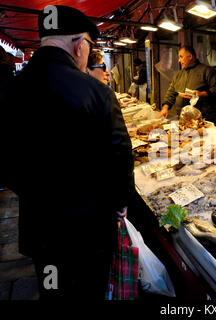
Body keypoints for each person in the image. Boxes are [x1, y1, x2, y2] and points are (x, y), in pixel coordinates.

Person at [0, 5, 135, 299]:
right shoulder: (97, 92)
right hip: (90, 231)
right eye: (88, 44)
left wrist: (37, 191)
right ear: (78, 45)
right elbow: (120, 155)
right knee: (89, 290)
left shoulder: (9, 90)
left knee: (53, 289)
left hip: (42, 229)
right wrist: (120, 201)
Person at [157, 45, 216, 123]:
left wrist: (201, 94)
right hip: (182, 118)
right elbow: (171, 93)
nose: (179, 60)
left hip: (202, 119)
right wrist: (165, 108)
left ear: (190, 57)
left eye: (181, 57)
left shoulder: (207, 71)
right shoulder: (178, 74)